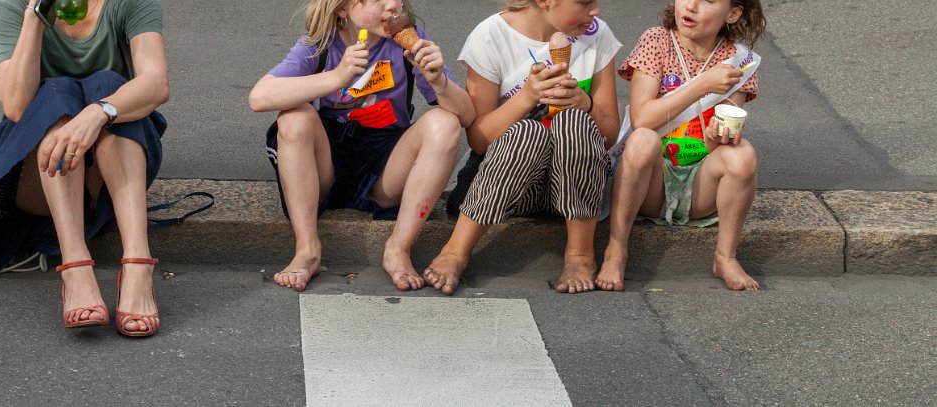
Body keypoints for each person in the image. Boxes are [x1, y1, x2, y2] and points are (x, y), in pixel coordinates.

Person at [0, 0, 169, 336]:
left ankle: (137, 264)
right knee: (55, 93)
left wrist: (99, 112)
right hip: (37, 172)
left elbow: (156, 82)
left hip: (105, 173)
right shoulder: (12, 4)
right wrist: (34, 19)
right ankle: (75, 267)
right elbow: (16, 105)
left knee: (109, 85)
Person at [248, 0, 475, 292]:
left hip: (385, 161)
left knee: (445, 123)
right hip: (325, 163)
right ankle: (307, 249)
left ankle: (398, 248)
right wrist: (336, 77)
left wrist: (439, 81)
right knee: (294, 118)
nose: (392, 4)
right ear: (343, 9)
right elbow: (259, 97)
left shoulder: (408, 40)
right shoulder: (320, 44)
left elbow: (466, 116)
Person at [424, 0, 621, 295]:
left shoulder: (597, 34)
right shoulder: (491, 36)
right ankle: (455, 250)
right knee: (528, 131)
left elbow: (609, 134)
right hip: (513, 182)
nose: (596, 11)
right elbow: (478, 140)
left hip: (574, 182)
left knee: (575, 122)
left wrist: (585, 103)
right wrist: (527, 96)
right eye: (584, 2)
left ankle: (580, 254)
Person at [598, 0, 766, 291]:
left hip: (700, 181)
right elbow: (642, 118)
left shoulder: (739, 60)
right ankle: (616, 250)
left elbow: (722, 132)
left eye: (709, 1)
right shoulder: (657, 41)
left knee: (742, 154)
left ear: (733, 13)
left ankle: (725, 256)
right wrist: (702, 85)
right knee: (642, 140)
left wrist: (720, 136)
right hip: (650, 181)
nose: (691, 6)